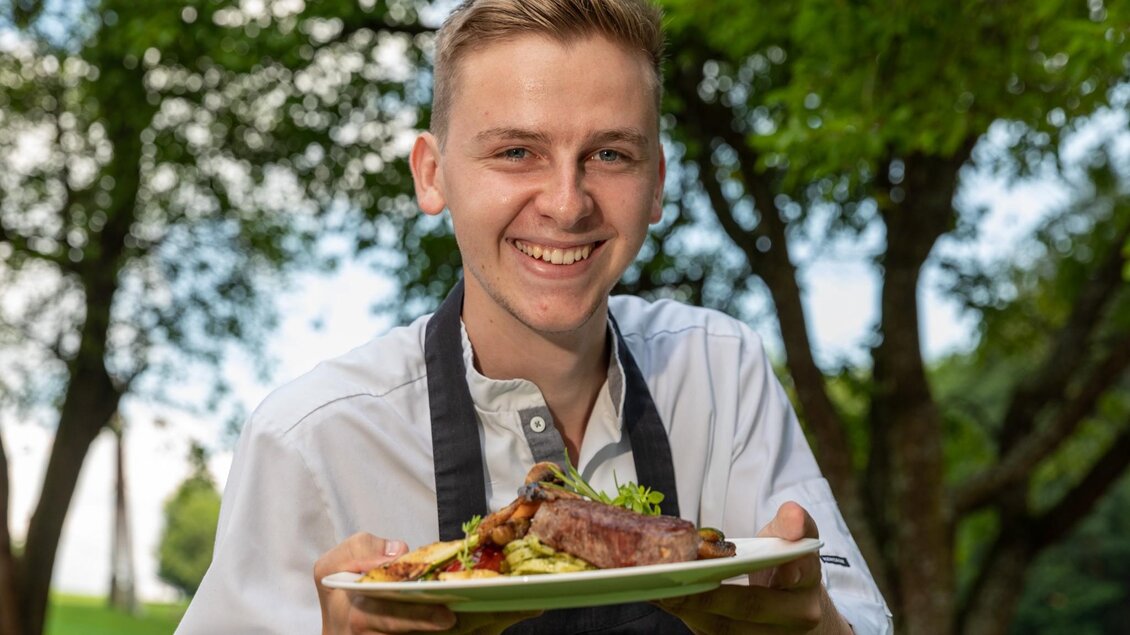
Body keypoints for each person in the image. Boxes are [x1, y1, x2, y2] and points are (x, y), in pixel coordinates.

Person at [176, 0, 893, 633]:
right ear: (432, 174)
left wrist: (818, 626)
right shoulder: (310, 440)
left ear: (656, 185)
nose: (566, 201)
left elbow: (856, 614)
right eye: (517, 151)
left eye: (609, 153)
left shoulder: (721, 371)